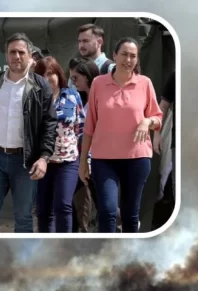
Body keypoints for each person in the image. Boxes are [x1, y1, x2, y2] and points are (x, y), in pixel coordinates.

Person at [0, 33, 57, 233]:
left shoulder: (41, 86)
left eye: (21, 52)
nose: (16, 56)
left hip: (25, 161)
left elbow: (49, 125)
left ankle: (20, 265)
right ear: (6, 56)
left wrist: (44, 157)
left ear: (30, 55)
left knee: (23, 218)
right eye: (12, 52)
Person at [81, 37, 163, 233]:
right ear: (114, 56)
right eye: (124, 54)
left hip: (137, 158)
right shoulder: (99, 84)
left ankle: (128, 259)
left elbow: (157, 118)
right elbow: (90, 125)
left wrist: (146, 121)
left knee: (130, 214)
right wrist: (83, 160)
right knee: (108, 211)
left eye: (133, 56)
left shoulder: (145, 83)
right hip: (104, 160)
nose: (128, 60)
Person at [73, 23, 123, 231]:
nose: (81, 45)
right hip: (79, 149)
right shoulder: (77, 70)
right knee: (80, 203)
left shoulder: (111, 69)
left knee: (105, 206)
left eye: (86, 41)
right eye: (79, 41)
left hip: (105, 149)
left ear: (99, 41)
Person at [33, 56, 85, 233]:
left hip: (68, 161)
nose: (47, 78)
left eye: (50, 74)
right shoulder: (33, 98)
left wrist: (87, 158)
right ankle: (46, 249)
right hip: (41, 162)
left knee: (63, 205)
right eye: (41, 75)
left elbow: (81, 128)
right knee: (43, 210)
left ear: (58, 74)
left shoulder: (72, 95)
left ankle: (65, 247)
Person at [68, 57, 100, 233]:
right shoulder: (75, 98)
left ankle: (124, 222)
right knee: (66, 198)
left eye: (75, 78)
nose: (73, 83)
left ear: (87, 76)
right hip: (77, 159)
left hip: (97, 159)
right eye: (71, 78)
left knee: (103, 204)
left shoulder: (100, 98)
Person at [151, 70, 176, 231]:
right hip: (179, 141)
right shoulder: (176, 75)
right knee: (176, 186)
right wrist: (157, 135)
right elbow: (163, 106)